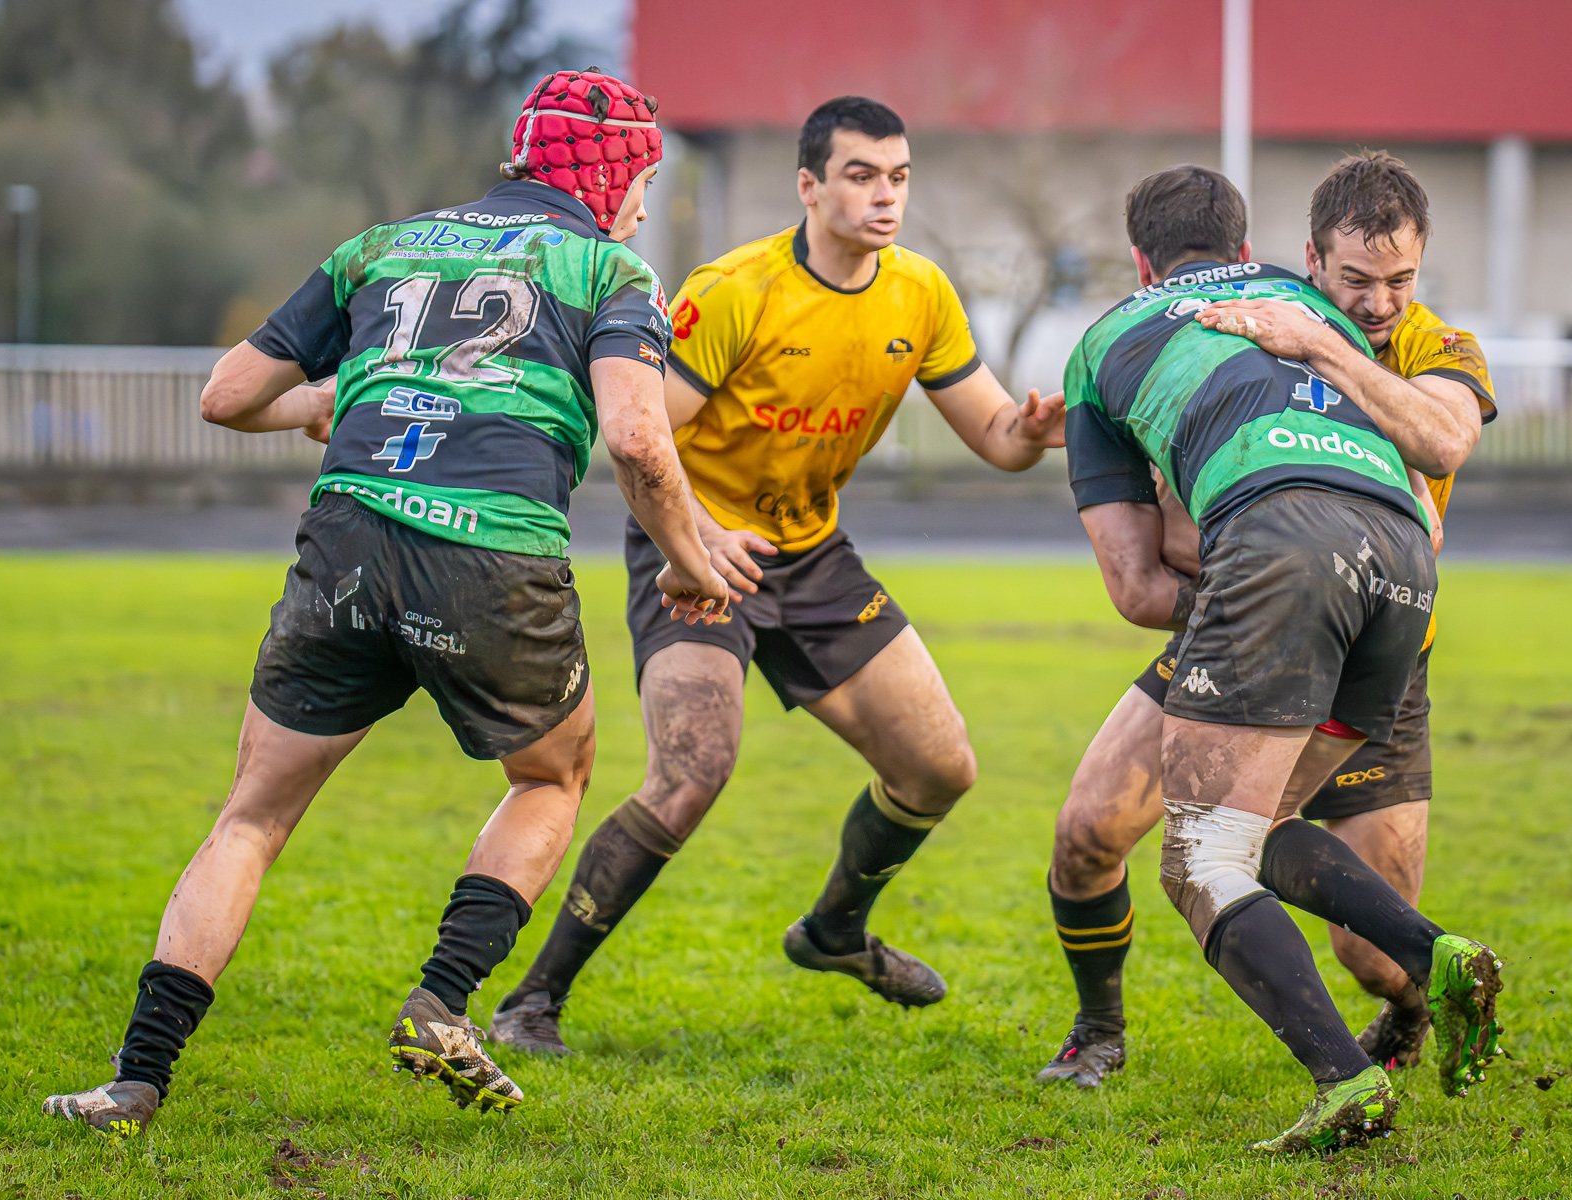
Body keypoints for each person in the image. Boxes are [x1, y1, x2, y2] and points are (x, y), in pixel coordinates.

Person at [39, 69, 732, 1137]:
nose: (642, 203)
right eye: (641, 180)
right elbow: (640, 437)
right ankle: (441, 1004)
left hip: (350, 533)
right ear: (617, 174)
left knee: (252, 816)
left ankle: (135, 1078)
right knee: (555, 774)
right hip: (491, 552)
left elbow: (229, 396)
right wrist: (689, 560)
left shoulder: (383, 245)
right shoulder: (610, 267)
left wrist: (338, 398)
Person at [490, 95, 1065, 1054]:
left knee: (939, 769)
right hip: (696, 552)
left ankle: (835, 930)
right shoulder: (736, 290)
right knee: (692, 772)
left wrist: (1032, 433)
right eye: (860, 176)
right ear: (808, 186)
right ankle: (532, 1001)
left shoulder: (919, 293)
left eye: (899, 177)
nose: (886, 197)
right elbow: (639, 439)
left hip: (813, 554)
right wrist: (695, 540)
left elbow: (997, 438)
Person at [1056, 164, 1502, 1152]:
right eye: (1357, 282)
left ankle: (1351, 1076)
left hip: (1278, 579)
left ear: (1139, 260)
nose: (1378, 305)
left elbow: (1443, 438)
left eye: (1399, 284)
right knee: (1184, 827)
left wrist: (1321, 346)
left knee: (1205, 856)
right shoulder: (1288, 305)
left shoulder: (1340, 327)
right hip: (1397, 581)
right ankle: (1442, 961)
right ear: (1292, 255)